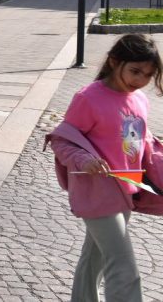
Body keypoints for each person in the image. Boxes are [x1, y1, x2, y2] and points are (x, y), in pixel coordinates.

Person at [48, 34, 163, 302]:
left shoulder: (139, 100)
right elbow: (62, 141)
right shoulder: (88, 98)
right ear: (114, 61)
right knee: (123, 267)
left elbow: (136, 144)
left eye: (148, 74)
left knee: (94, 258)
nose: (141, 80)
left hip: (128, 189)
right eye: (135, 71)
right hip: (97, 192)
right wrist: (84, 160)